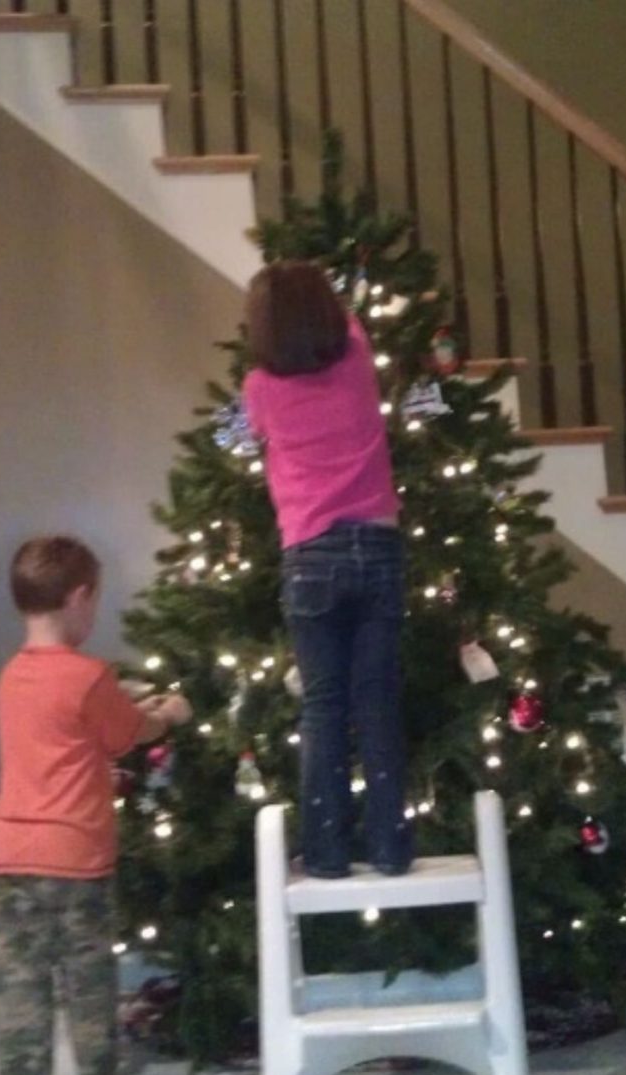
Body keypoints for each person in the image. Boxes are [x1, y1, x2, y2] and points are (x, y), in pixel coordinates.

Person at [0, 536, 192, 1075]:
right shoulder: (89, 674)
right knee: (88, 974)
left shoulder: (10, 677)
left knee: (20, 978)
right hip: (76, 852)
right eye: (95, 602)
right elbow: (127, 733)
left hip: (12, 853)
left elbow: (65, 730)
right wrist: (167, 714)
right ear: (78, 598)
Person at [244, 260, 412, 879]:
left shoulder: (259, 387)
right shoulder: (358, 355)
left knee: (322, 706)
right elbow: (346, 319)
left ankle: (326, 852)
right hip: (379, 546)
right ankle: (391, 846)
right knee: (376, 701)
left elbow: (252, 435)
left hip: (310, 554)